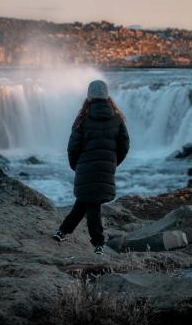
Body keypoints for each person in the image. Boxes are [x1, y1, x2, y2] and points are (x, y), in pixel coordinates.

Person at [53, 80, 130, 255]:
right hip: (106, 168)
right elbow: (124, 145)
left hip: (85, 168)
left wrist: (76, 166)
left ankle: (97, 243)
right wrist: (112, 163)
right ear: (106, 96)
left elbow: (73, 147)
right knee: (87, 201)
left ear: (89, 96)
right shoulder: (117, 119)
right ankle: (64, 232)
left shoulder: (82, 119)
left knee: (90, 202)